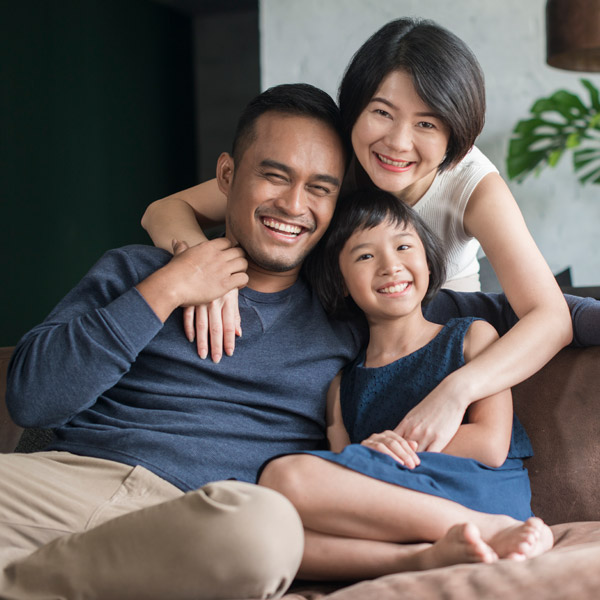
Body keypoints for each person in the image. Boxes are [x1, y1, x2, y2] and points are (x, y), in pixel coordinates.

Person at [140, 16, 600, 452]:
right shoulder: (331, 158)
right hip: (339, 316)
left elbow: (549, 317)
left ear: (455, 136)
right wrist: (202, 271)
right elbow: (165, 210)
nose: (397, 143)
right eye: (382, 112)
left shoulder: (472, 185)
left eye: (426, 123)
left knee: (562, 315)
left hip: (428, 324)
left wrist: (457, 390)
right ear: (354, 109)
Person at [1, 83, 355, 600]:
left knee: (267, 531)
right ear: (227, 175)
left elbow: (495, 315)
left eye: (320, 188)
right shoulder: (136, 268)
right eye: (274, 176)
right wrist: (169, 287)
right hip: (64, 484)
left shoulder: (351, 319)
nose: (294, 204)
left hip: (203, 522)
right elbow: (31, 399)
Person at [259, 188, 553, 581]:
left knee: (283, 478)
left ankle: (488, 529)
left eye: (403, 246)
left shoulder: (471, 338)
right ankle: (425, 557)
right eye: (365, 255)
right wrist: (369, 453)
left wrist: (390, 450)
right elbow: (346, 474)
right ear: (341, 281)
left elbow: (490, 445)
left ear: (429, 262)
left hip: (480, 491)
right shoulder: (342, 384)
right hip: (397, 513)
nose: (390, 265)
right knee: (272, 537)